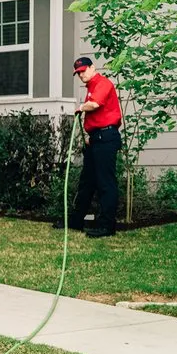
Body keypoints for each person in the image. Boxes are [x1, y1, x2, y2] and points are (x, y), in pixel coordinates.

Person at [54, 57, 122, 238]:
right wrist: (91, 136)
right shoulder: (91, 86)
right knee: (87, 182)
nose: (81, 74)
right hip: (97, 139)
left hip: (106, 138)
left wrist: (81, 108)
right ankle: (76, 221)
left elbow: (95, 104)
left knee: (105, 183)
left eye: (84, 70)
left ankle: (107, 227)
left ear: (93, 68)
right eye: (78, 73)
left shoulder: (102, 83)